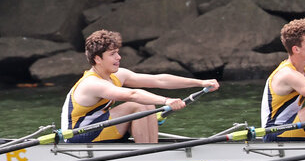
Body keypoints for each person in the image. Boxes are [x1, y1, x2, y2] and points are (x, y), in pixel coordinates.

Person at [62, 30, 220, 143]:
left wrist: (200, 82)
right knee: (138, 104)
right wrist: (166, 101)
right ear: (97, 59)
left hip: (99, 129)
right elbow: (132, 95)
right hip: (77, 136)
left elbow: (159, 80)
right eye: (112, 54)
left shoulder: (117, 75)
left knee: (147, 104)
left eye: (117, 52)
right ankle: (148, 157)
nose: (119, 57)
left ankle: (151, 149)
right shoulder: (91, 83)